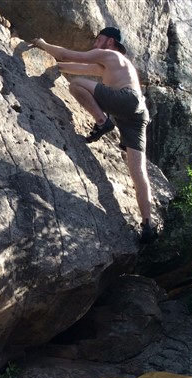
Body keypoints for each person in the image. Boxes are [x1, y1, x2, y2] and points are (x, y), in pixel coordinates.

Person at [30, 27, 155, 243]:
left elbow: (67, 55)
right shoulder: (115, 65)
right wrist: (53, 62)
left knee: (76, 84)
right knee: (138, 170)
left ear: (110, 41)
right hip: (138, 113)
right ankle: (148, 224)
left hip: (126, 100)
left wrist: (43, 43)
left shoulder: (109, 54)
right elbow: (70, 64)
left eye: (99, 39)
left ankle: (102, 122)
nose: (95, 43)